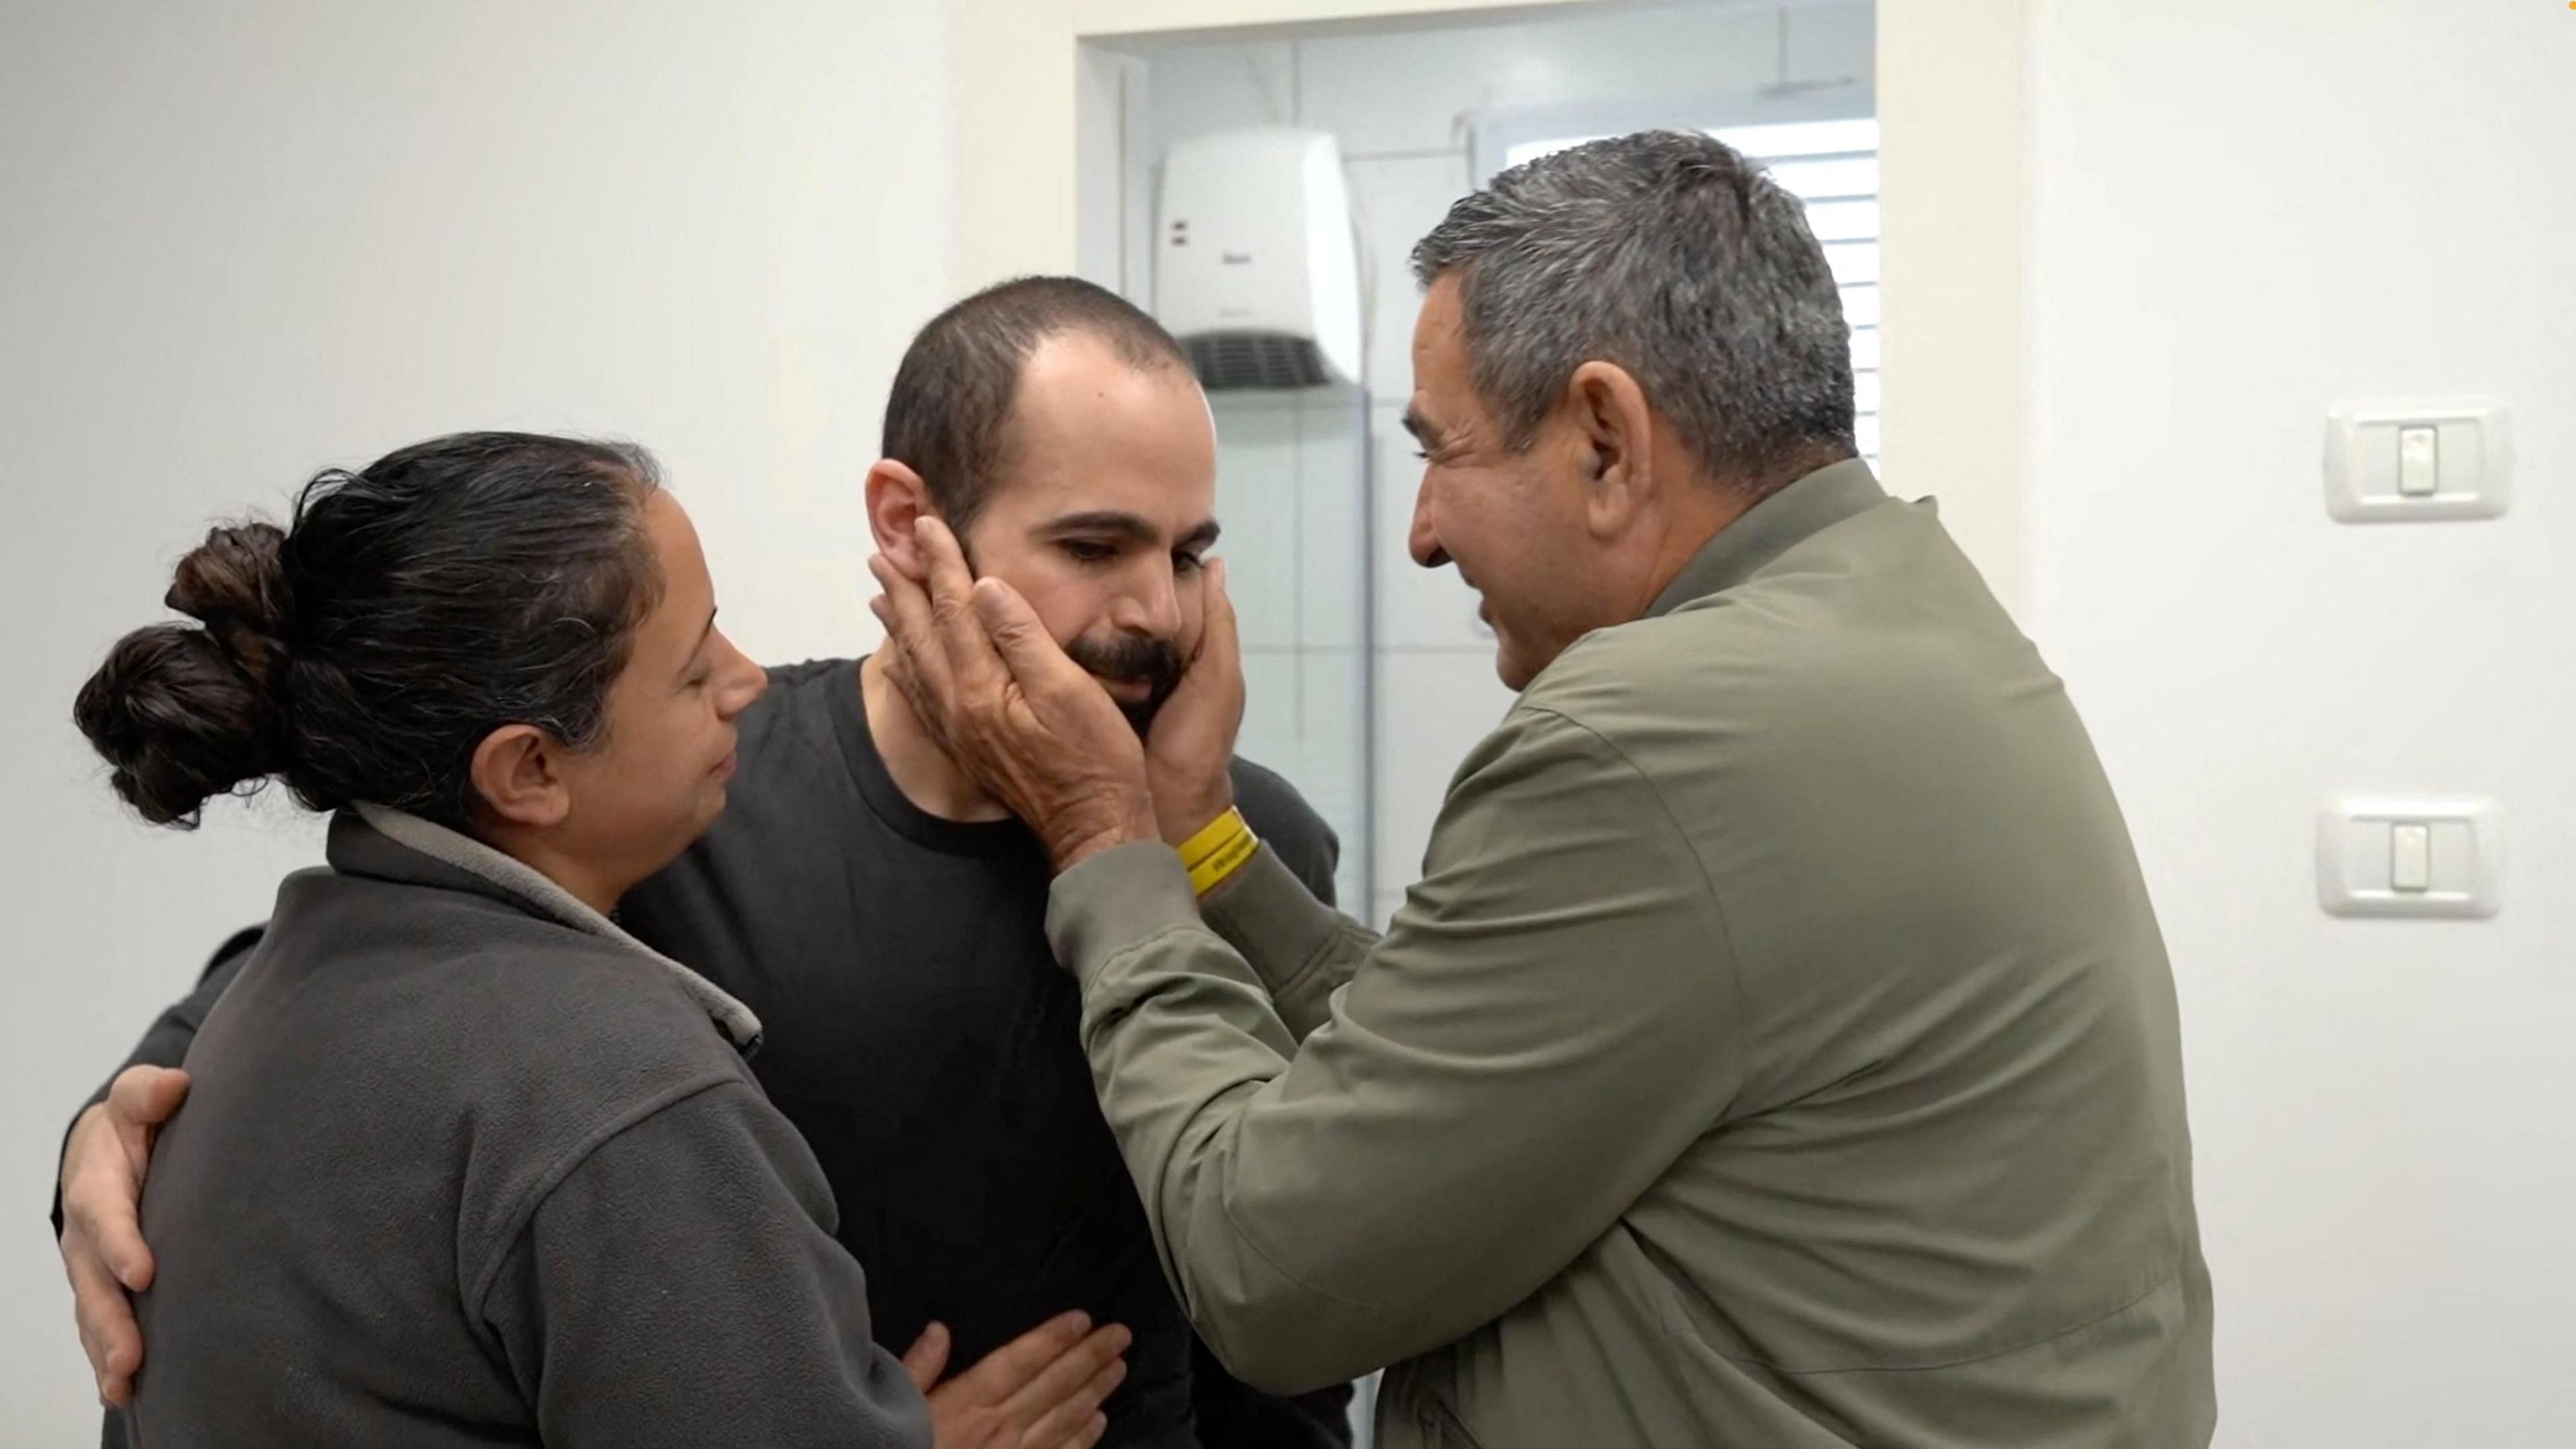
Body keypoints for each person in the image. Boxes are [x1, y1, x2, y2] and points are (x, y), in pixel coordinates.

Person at [870, 132, 2219, 1448]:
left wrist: (1108, 842)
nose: (1421, 533)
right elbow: (1505, 1074)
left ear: (1605, 441)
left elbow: (1271, 1276)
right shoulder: (1910, 619)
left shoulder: (1657, 735)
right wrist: (1206, 841)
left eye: (1439, 452)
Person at [54, 280, 1354, 1448]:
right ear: (909, 525)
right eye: (1094, 548)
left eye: (1190, 554)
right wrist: (107, 1129)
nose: (1158, 612)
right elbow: (365, 974)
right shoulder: (683, 803)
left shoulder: (1244, 850)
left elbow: (1300, 1307)